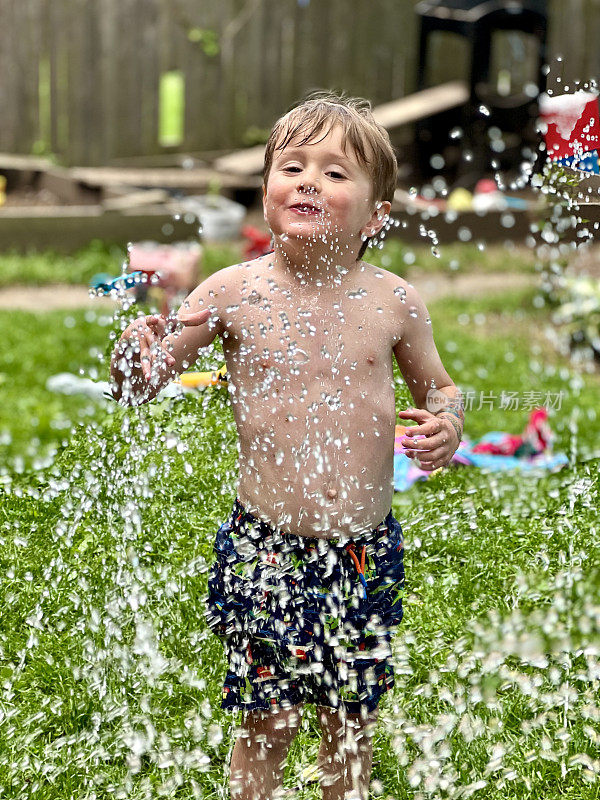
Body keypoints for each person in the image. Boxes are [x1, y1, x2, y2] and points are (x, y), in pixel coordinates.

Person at [110, 92, 464, 800]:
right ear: (265, 191)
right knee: (266, 718)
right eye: (292, 166)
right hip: (265, 545)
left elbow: (441, 389)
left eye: (335, 174)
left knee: (346, 720)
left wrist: (448, 424)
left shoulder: (393, 302)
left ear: (376, 215)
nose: (308, 182)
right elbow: (139, 388)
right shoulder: (233, 292)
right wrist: (133, 355)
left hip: (363, 547)